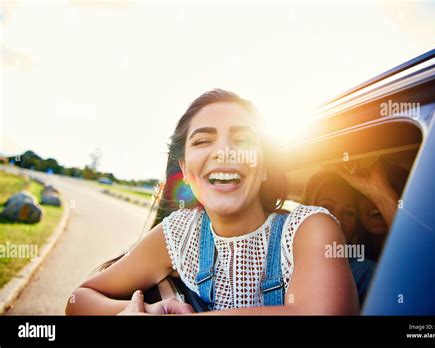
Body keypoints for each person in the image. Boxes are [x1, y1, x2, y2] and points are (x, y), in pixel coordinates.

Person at [65, 89, 359, 315]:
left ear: (265, 165)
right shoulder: (179, 235)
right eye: (203, 141)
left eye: (242, 140)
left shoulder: (309, 229)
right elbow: (78, 301)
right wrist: (146, 310)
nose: (224, 152)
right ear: (186, 172)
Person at [304, 172, 376, 304]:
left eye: (349, 212)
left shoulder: (366, 273)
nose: (338, 219)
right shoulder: (279, 261)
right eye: (327, 207)